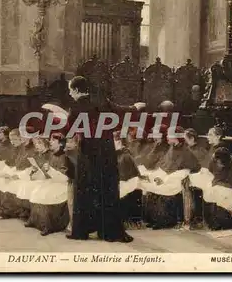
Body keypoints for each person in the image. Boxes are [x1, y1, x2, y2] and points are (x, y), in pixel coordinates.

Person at [66, 76, 145, 243]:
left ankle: (81, 231)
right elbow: (121, 111)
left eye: (71, 90)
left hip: (87, 153)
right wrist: (135, 107)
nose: (70, 93)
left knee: (85, 190)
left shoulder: (75, 108)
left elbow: (69, 131)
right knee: (107, 190)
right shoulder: (102, 102)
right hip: (105, 152)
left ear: (78, 90)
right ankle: (109, 232)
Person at [143, 127, 201, 230]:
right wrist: (157, 175)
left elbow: (194, 166)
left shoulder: (184, 151)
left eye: (169, 135)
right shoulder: (172, 147)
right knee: (149, 186)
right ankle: (154, 219)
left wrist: (165, 177)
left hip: (174, 180)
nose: (167, 137)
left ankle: (164, 222)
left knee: (157, 188)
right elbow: (165, 164)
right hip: (165, 176)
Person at [25, 133, 73, 236]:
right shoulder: (51, 155)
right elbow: (46, 174)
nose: (50, 142)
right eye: (50, 140)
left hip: (61, 185)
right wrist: (35, 171)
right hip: (52, 181)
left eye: (53, 141)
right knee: (36, 191)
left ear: (60, 144)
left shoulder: (64, 157)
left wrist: (50, 170)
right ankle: (34, 220)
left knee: (46, 194)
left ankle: (50, 225)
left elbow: (64, 177)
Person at [113, 131, 143, 227]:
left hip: (127, 183)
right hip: (124, 182)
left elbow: (126, 177)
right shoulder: (119, 154)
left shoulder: (125, 155)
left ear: (118, 142)